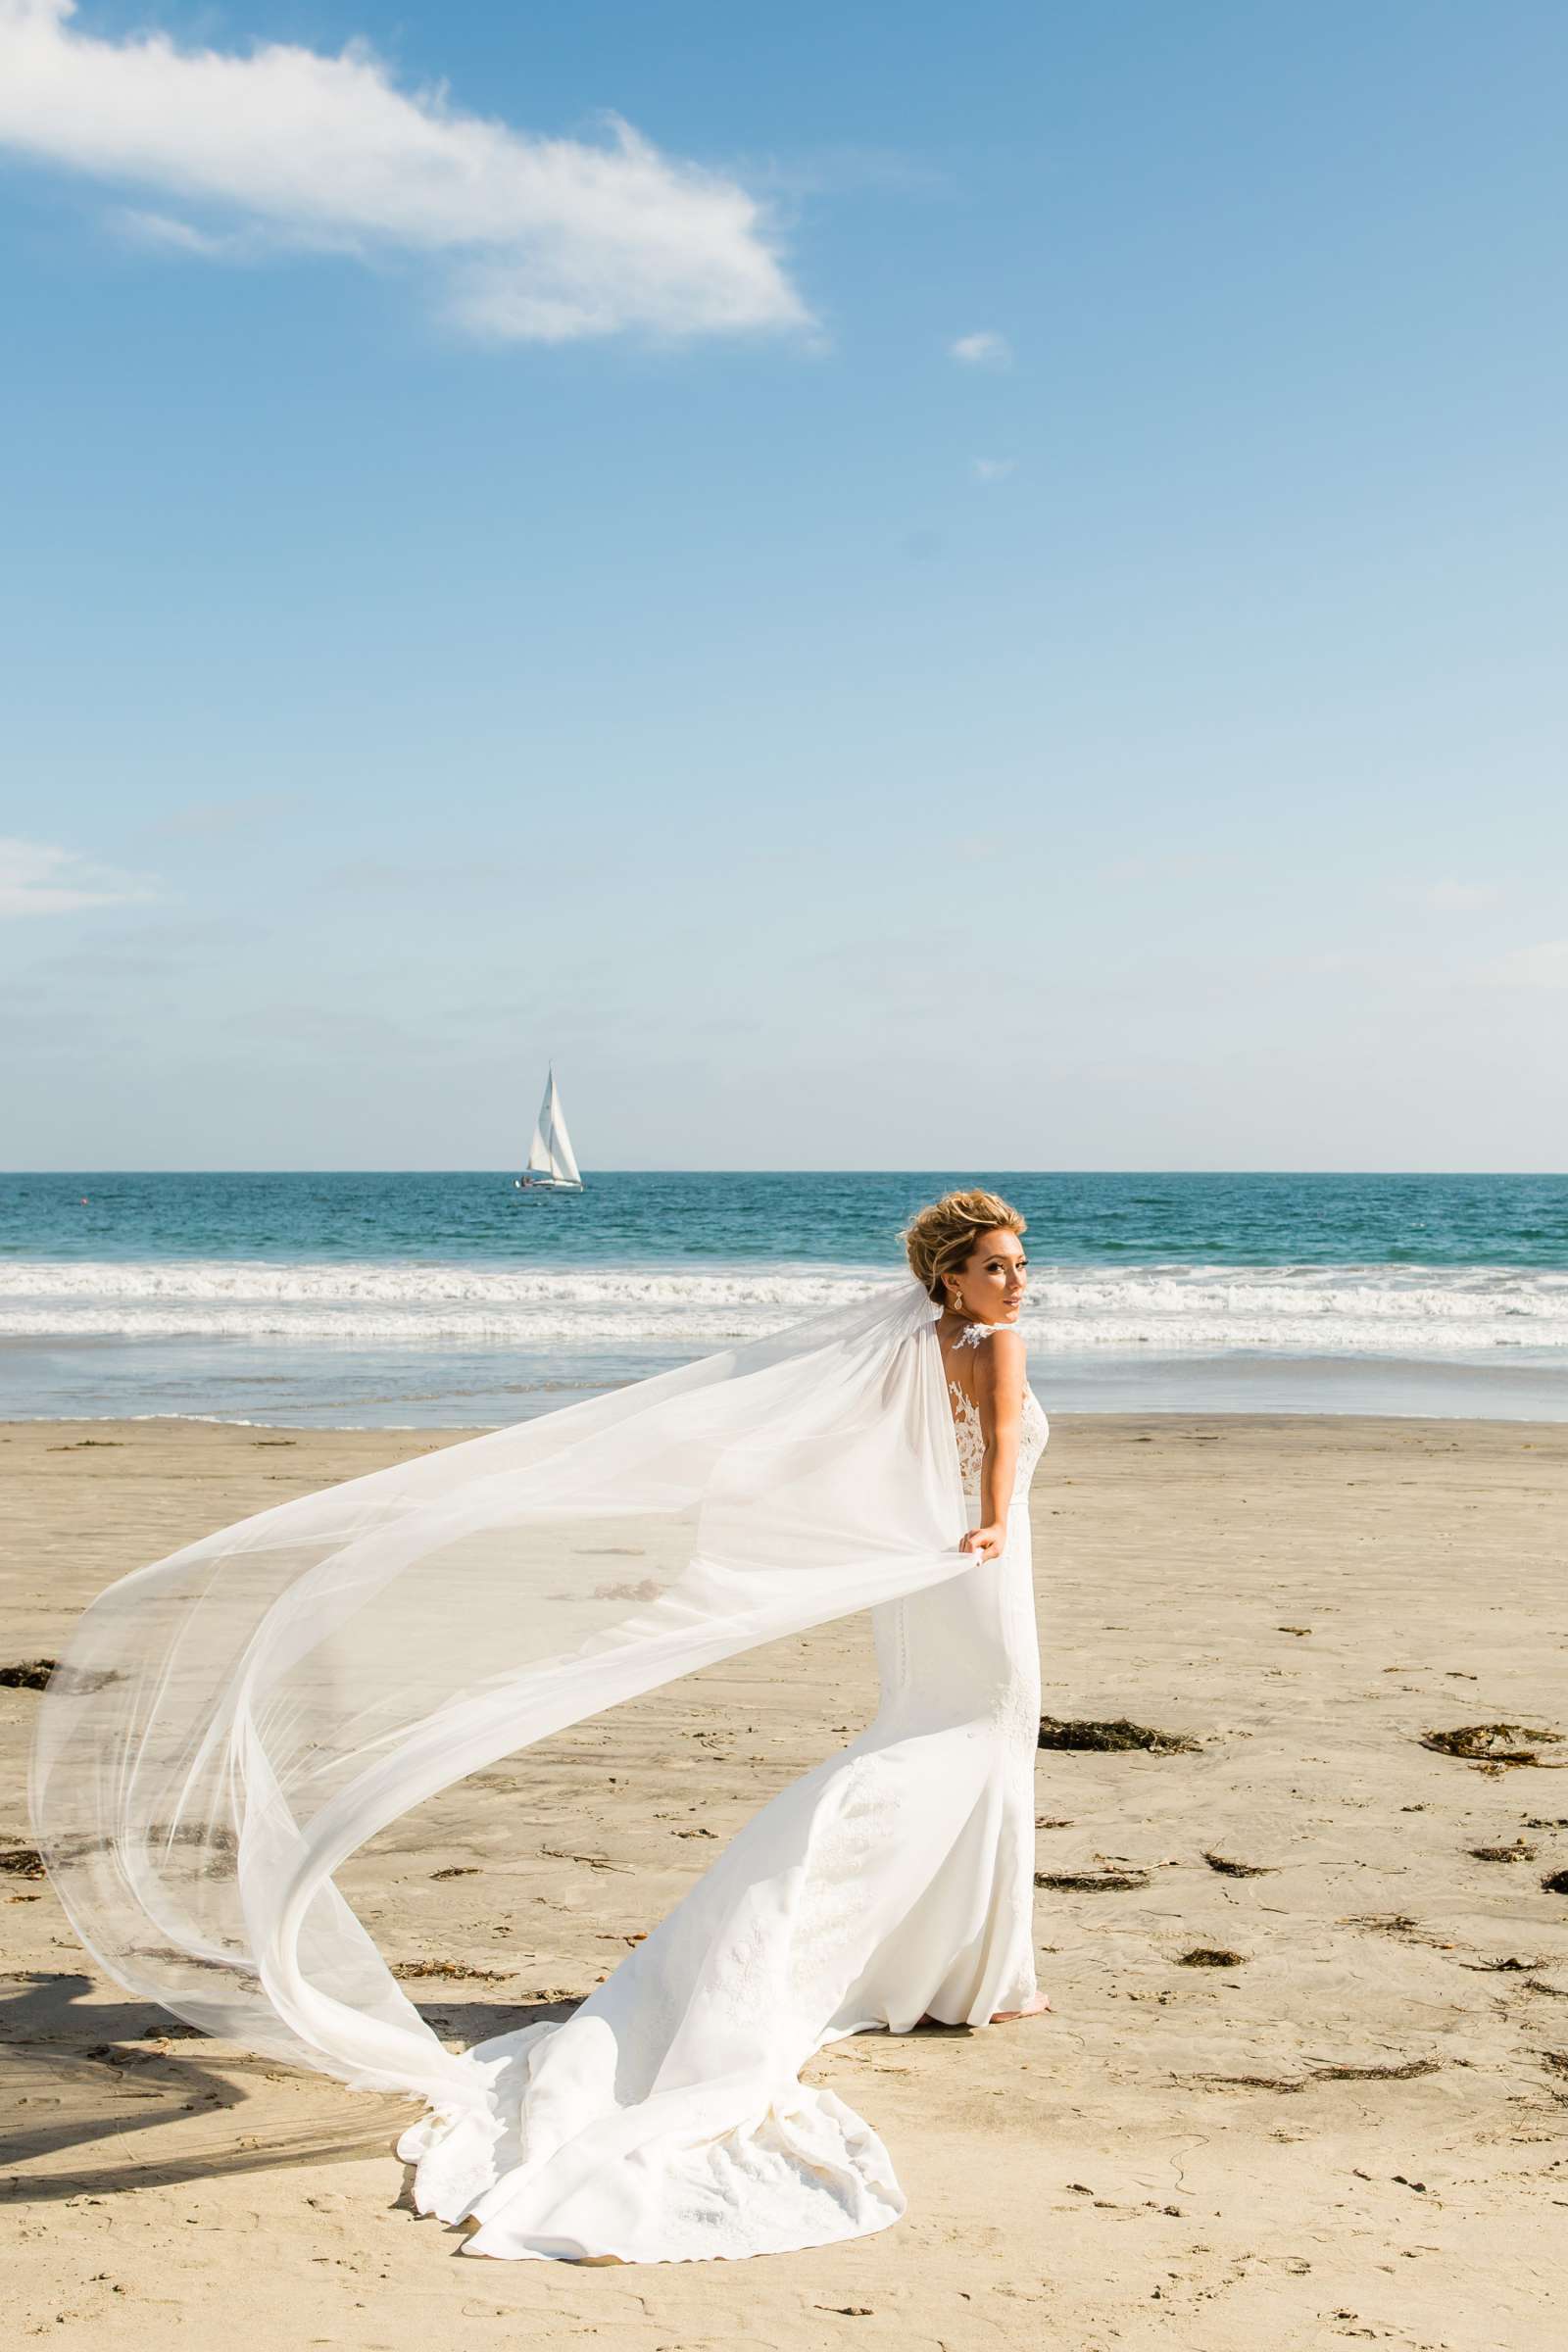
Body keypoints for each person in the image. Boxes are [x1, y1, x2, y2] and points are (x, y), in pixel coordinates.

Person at [31, 1188, 1051, 2266]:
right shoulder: (991, 1344)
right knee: (975, 1733)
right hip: (978, 1563)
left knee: (949, 1733)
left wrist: (937, 1534)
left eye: (1018, 1265)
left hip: (935, 1566)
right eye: (994, 1265)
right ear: (949, 1278)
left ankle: (966, 1970)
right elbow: (992, 1448)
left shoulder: (916, 1344)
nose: (1015, 1282)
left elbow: (858, 1454)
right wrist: (985, 1523)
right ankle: (964, 1972)